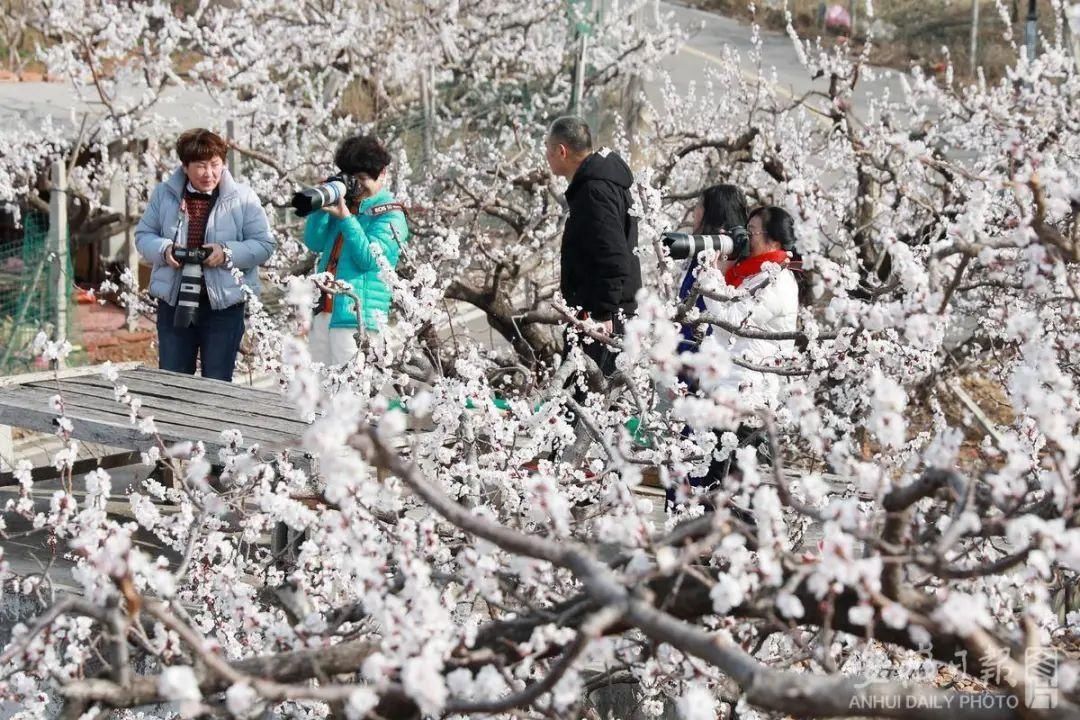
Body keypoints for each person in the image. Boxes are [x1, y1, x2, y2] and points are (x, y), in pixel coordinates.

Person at [673, 203, 800, 511]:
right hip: (729, 390)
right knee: (722, 483)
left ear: (773, 241)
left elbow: (731, 322)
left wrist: (715, 277)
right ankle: (728, 549)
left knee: (732, 486)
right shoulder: (753, 276)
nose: (745, 238)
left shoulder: (777, 281)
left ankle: (749, 548)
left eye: (752, 232)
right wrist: (724, 276)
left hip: (748, 395)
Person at [135, 128, 274, 382]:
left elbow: (264, 245)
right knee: (173, 381)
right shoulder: (165, 195)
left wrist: (226, 252)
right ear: (185, 166)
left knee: (217, 383)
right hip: (175, 301)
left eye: (215, 164)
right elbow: (143, 236)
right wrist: (165, 250)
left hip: (224, 304)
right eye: (200, 166)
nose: (209, 173)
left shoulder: (242, 198)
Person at [545, 116, 641, 376]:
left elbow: (613, 256)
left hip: (601, 317)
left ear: (561, 151)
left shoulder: (594, 190)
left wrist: (601, 314)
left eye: (548, 149)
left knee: (583, 403)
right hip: (601, 311)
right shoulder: (601, 182)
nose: (546, 156)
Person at [302, 135, 409, 366]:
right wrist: (322, 207)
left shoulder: (391, 215)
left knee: (347, 394)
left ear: (382, 174)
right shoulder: (346, 205)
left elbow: (369, 259)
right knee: (317, 392)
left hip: (357, 317)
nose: (356, 186)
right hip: (324, 309)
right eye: (351, 178)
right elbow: (314, 242)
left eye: (362, 178)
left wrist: (347, 219)